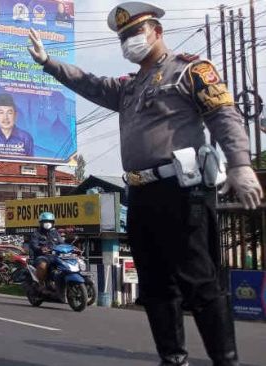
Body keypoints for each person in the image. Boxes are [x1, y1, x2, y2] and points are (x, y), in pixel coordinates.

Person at [27, 2, 262, 365]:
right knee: (154, 286)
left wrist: (241, 165)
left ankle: (225, 361)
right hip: (140, 194)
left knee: (199, 283)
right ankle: (173, 358)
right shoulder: (129, 87)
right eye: (123, 37)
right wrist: (48, 62)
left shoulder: (190, 70)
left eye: (136, 32)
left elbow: (224, 115)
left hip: (182, 192)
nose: (129, 41)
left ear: (157, 31)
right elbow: (88, 83)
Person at [0, 93, 34, 158]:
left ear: (15, 115)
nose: (5, 117)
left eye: (9, 113)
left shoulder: (26, 138)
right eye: (1, 112)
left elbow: (30, 165)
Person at [28, 212, 64, 285]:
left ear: (53, 223)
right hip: (41, 256)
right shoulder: (36, 233)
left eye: (50, 222)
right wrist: (41, 249)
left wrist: (71, 248)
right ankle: (40, 283)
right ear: (41, 223)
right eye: (45, 222)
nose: (47, 224)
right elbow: (34, 245)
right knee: (42, 265)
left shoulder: (55, 233)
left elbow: (62, 243)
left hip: (55, 256)